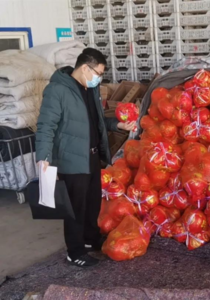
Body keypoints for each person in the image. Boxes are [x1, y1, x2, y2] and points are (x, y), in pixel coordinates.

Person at [35, 48, 135, 267]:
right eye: (98, 73)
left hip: (91, 156)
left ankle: (91, 239)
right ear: (84, 67)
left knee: (92, 204)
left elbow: (96, 120)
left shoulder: (91, 88)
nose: (99, 77)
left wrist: (117, 125)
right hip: (71, 160)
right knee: (75, 208)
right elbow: (45, 126)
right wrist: (43, 157)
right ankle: (75, 251)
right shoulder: (57, 90)